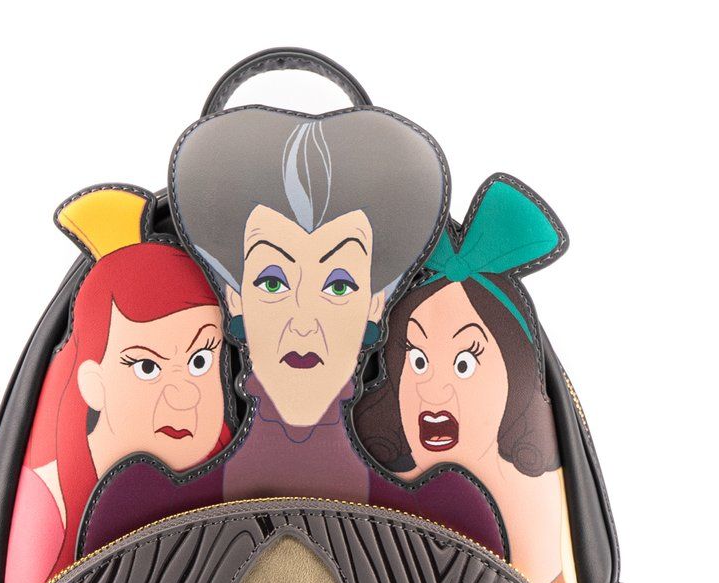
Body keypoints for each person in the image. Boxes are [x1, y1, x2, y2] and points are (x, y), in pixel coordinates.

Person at [79, 110, 506, 558]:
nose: (303, 321)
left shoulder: (141, 513)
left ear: (376, 303)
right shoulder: (446, 527)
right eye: (273, 282)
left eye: (338, 286)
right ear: (234, 296)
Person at [355, 177, 581, 583]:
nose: (434, 391)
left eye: (464, 364)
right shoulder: (364, 479)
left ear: (513, 374)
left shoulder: (526, 496)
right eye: (417, 360)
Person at [3, 187, 229, 583]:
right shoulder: (51, 499)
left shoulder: (245, 471)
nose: (182, 395)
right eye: (147, 367)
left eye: (200, 361)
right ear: (92, 382)